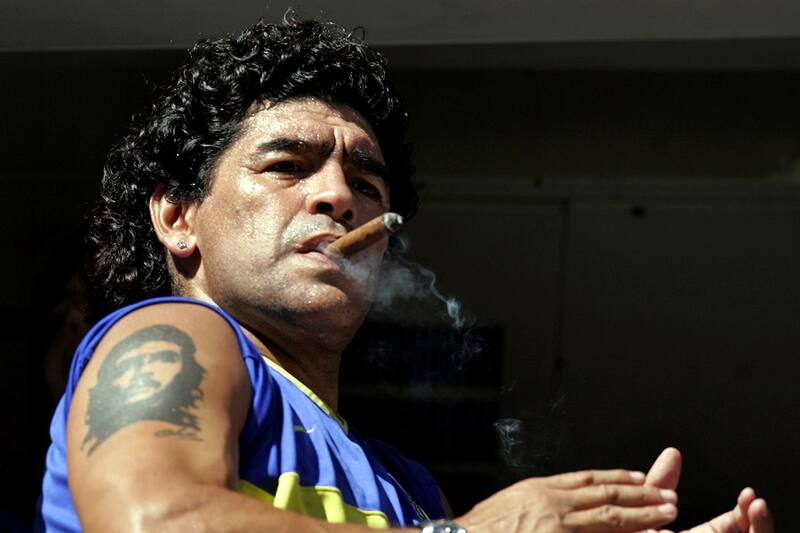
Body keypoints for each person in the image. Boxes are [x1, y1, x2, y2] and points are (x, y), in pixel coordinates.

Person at [38, 12, 775, 533]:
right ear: (178, 217)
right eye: (288, 165)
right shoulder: (175, 336)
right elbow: (151, 520)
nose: (338, 196)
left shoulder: (408, 486)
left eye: (367, 183)